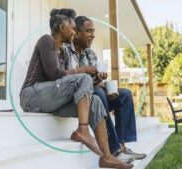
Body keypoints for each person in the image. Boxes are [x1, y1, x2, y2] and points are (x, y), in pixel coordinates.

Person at [20, 8, 133, 169]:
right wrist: (85, 70)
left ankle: (106, 156)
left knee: (95, 102)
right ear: (61, 28)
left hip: (52, 100)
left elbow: (67, 82)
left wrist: (93, 79)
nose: (74, 33)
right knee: (84, 77)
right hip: (31, 96)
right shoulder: (46, 41)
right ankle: (83, 130)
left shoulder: (63, 52)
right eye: (73, 28)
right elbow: (55, 74)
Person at [62, 15, 147, 162]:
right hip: (77, 99)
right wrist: (88, 74)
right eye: (89, 31)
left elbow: (96, 82)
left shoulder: (90, 53)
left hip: (94, 93)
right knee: (99, 93)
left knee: (124, 95)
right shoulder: (65, 50)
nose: (93, 35)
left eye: (94, 31)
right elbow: (65, 80)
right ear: (76, 32)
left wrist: (103, 83)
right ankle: (113, 149)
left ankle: (121, 145)